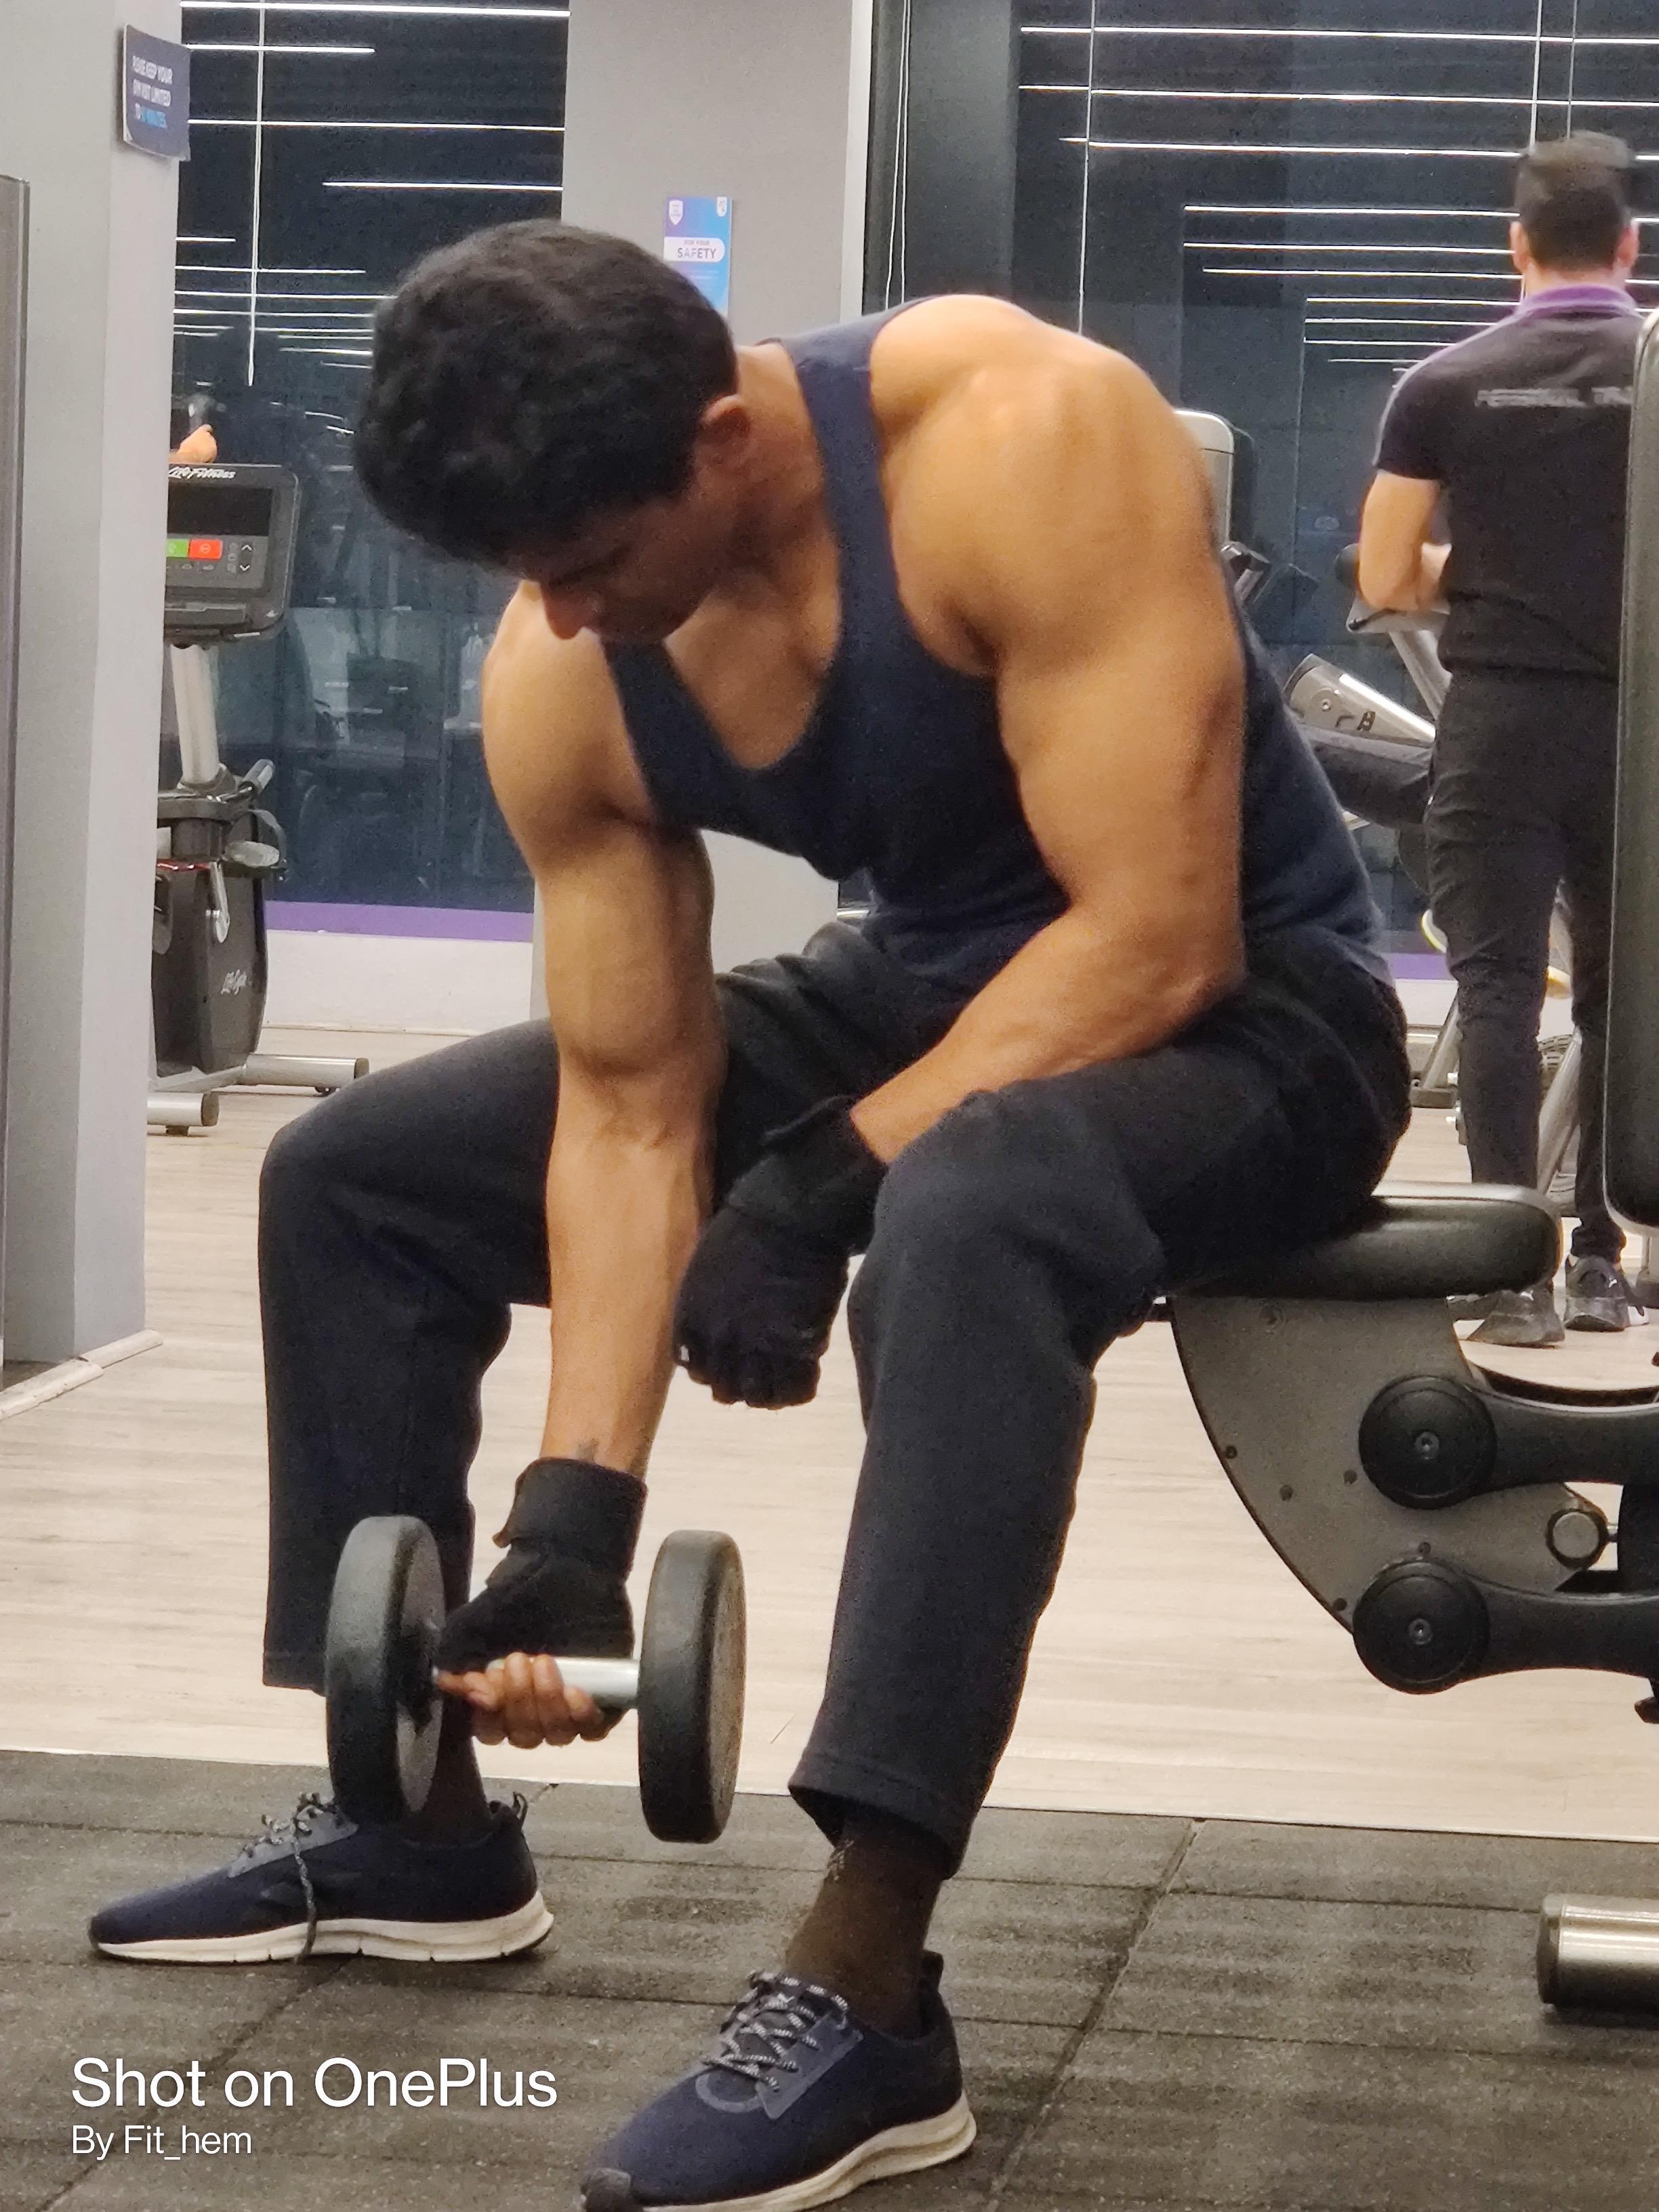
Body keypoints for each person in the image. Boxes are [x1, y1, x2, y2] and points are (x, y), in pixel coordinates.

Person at [91, 224, 1409, 2211]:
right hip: (929, 990)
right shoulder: (567, 662)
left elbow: (1158, 935)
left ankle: (871, 1982)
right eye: (523, 575)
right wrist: (572, 1522)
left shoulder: (1025, 436)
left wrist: (821, 1179)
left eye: (590, 559)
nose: (559, 615)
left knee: (965, 1203)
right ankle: (414, 1815)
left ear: (722, 440)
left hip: (1258, 1015)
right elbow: (632, 1107)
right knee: (361, 1173)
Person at [1359, 132, 1644, 1349]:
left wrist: (1492, 570)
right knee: (1629, 1001)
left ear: (1516, 246)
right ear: (1629, 246)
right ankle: (1603, 1263)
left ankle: (1512, 1274)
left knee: (1495, 991)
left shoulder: (1444, 383)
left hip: (1502, 723)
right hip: (1640, 731)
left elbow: (1385, 577)